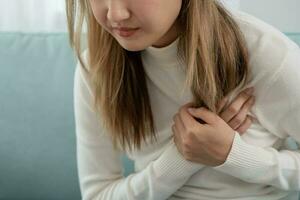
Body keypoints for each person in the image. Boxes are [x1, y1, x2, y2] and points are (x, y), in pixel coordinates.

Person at [66, 0, 300, 199]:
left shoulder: (266, 54)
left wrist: (232, 155)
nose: (116, 13)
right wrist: (181, 160)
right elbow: (98, 194)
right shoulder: (95, 69)